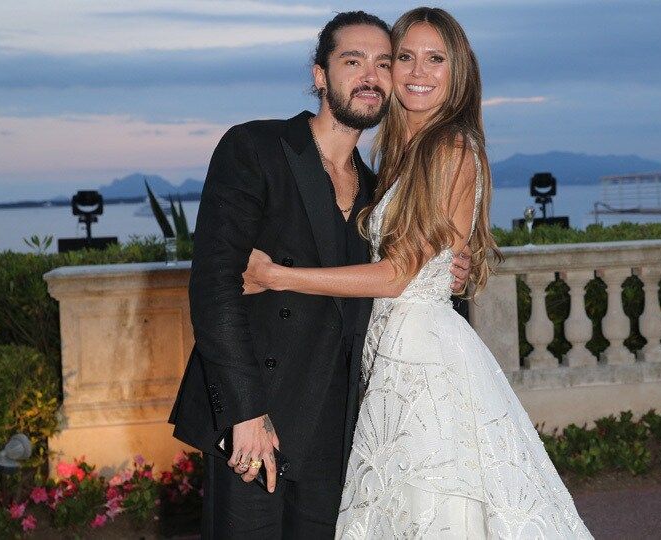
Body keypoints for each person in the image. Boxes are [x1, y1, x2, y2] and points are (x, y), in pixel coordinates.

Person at [242, 7, 593, 539]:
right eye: (403, 57)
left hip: (426, 366)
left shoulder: (449, 145)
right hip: (397, 358)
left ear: (459, 72)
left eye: (436, 59)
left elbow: (397, 275)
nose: (417, 72)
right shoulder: (404, 155)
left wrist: (280, 276)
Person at [168, 11, 471, 538]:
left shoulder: (383, 196)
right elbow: (214, 289)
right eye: (352, 61)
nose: (370, 76)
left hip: (340, 435)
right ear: (319, 75)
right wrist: (245, 412)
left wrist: (449, 270)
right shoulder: (255, 149)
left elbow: (399, 283)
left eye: (383, 62)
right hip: (258, 423)